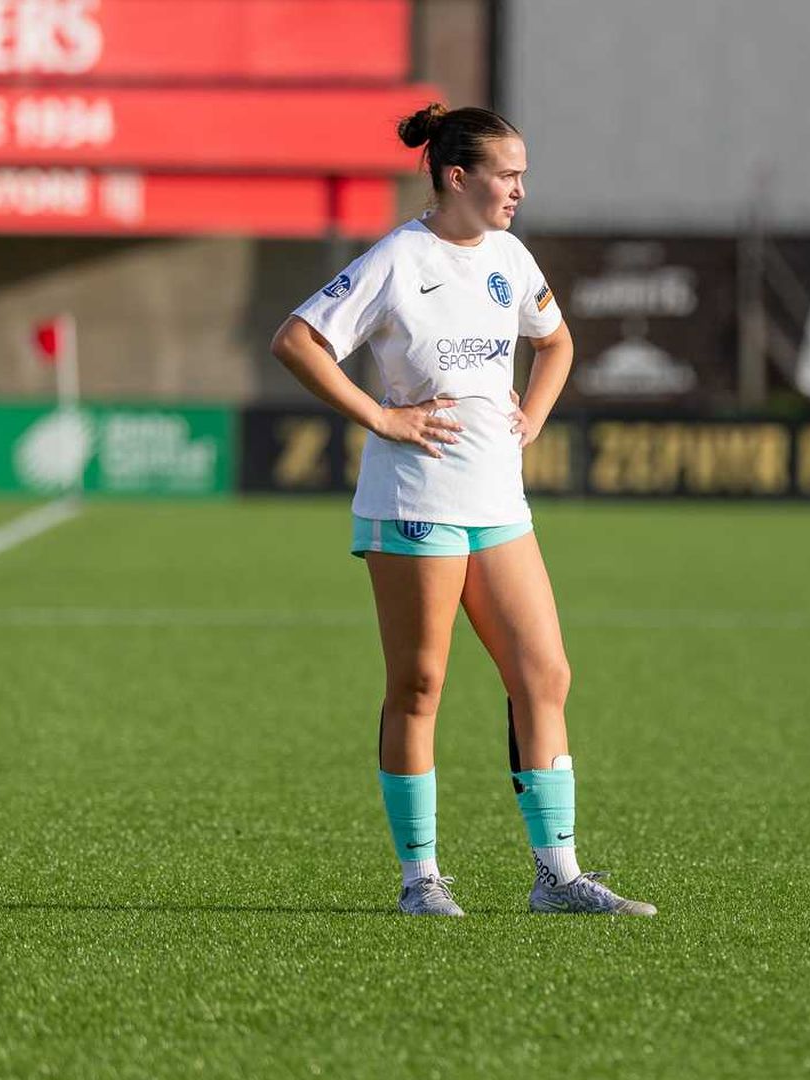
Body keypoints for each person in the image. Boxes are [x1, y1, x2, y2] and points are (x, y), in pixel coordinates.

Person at [269, 103, 654, 919]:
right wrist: (382, 417)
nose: (519, 189)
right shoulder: (398, 260)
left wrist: (533, 418)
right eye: (507, 174)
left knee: (544, 673)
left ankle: (557, 877)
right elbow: (296, 340)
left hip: (496, 501)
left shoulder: (510, 258)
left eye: (521, 175)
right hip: (414, 500)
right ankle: (421, 881)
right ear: (456, 176)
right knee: (420, 684)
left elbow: (556, 342)